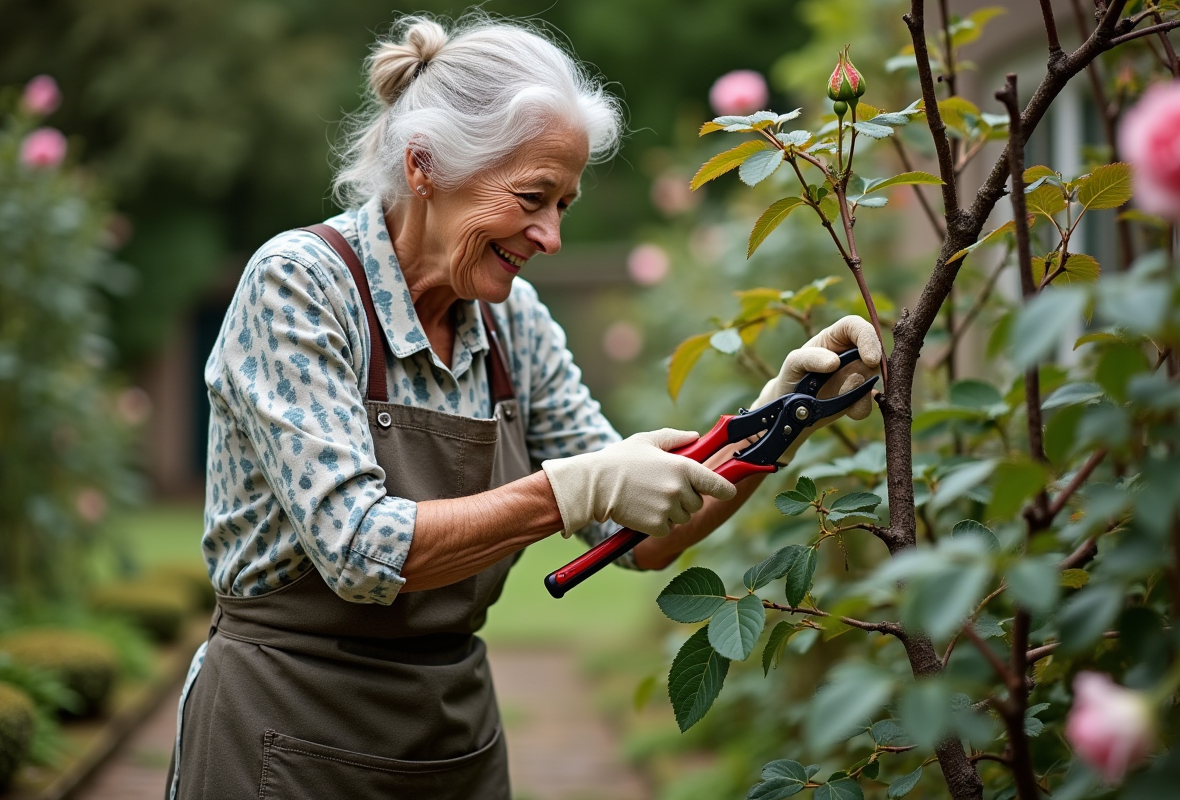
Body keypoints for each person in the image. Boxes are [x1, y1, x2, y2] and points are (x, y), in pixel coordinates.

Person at [167, 13, 882, 800]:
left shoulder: (513, 320)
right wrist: (575, 487)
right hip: (284, 735)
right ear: (424, 168)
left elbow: (634, 535)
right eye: (533, 197)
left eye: (565, 205)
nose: (551, 236)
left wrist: (780, 417)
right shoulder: (300, 286)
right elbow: (361, 550)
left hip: (451, 740)